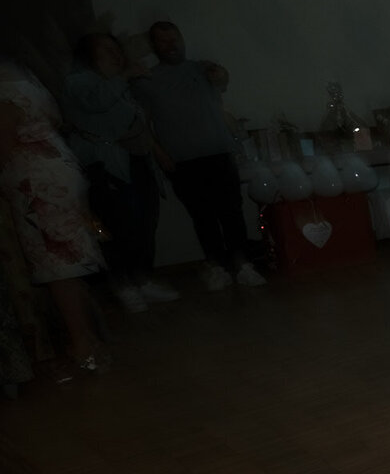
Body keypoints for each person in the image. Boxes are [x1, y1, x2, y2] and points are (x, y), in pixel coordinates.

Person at [1, 40, 108, 375]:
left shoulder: (4, 87)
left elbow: (2, 144)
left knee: (57, 267)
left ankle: (83, 349)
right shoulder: (27, 77)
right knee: (68, 264)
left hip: (37, 182)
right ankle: (89, 342)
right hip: (57, 169)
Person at [133, 22, 263, 291]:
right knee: (202, 216)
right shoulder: (147, 80)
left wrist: (218, 72)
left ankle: (243, 265)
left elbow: (222, 78)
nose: (172, 45)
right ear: (154, 46)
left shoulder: (201, 69)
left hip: (218, 153)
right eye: (164, 41)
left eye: (175, 39)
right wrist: (159, 154)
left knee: (231, 212)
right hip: (181, 160)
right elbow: (142, 123)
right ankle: (217, 266)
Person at [60, 33, 179, 312]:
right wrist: (123, 77)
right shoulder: (78, 81)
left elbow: (137, 121)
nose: (115, 54)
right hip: (107, 165)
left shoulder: (121, 84)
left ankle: (142, 280)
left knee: (145, 223)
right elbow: (96, 103)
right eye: (106, 49)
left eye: (116, 49)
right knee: (119, 227)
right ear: (88, 55)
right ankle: (122, 285)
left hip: (136, 160)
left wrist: (159, 152)